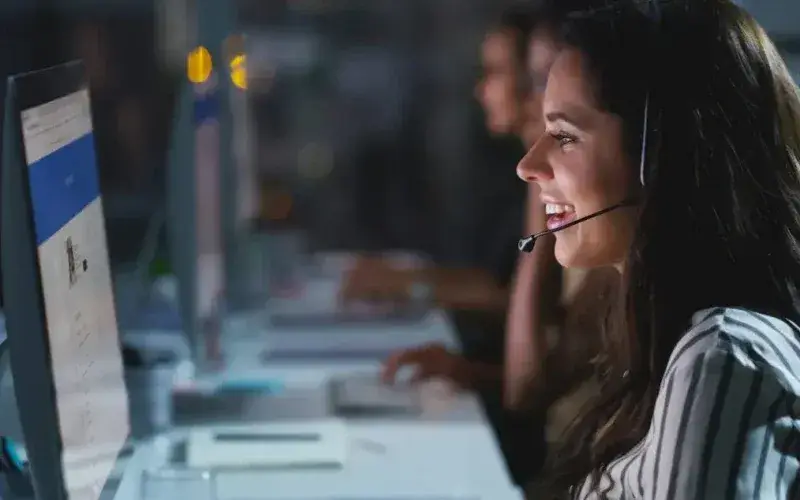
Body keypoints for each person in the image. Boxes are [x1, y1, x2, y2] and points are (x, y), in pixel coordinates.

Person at [518, 0, 800, 497]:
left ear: (663, 155)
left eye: (564, 136)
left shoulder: (723, 359)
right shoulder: (668, 336)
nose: (528, 164)